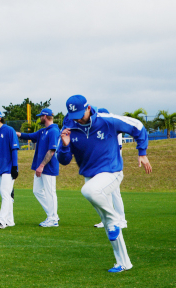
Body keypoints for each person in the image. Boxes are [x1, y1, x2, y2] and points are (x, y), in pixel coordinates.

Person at [58, 94, 152, 273]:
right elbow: (63, 160)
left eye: (79, 113)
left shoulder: (107, 120)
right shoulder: (68, 127)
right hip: (90, 175)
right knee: (106, 220)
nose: (77, 118)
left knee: (88, 192)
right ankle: (123, 263)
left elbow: (138, 126)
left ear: (88, 108)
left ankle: (115, 220)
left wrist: (142, 152)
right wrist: (64, 145)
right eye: (73, 115)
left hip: (112, 172)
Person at [17, 108, 60, 227]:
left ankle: (53, 219)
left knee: (50, 192)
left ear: (45, 117)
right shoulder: (43, 131)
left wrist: (41, 166)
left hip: (48, 167)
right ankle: (53, 215)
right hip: (40, 167)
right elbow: (28, 136)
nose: (39, 118)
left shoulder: (53, 131)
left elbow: (52, 151)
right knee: (37, 190)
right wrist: (13, 132)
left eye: (41, 116)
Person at [93, 108, 126, 229]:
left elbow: (118, 149)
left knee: (115, 193)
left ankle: (122, 220)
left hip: (113, 165)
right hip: (103, 165)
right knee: (105, 193)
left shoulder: (113, 127)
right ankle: (108, 219)